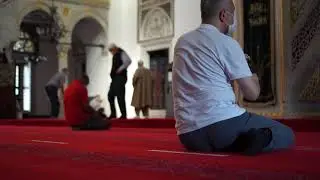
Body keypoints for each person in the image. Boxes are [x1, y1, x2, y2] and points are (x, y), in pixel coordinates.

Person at [172, 0, 295, 155]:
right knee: (285, 134)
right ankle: (253, 140)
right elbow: (252, 93)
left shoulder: (182, 42)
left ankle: (238, 142)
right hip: (223, 127)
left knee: (222, 135)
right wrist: (250, 66)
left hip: (189, 135)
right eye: (233, 14)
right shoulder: (227, 43)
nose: (234, 20)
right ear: (224, 15)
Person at [108, 43, 132, 119]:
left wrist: (119, 70)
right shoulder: (115, 54)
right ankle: (113, 114)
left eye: (111, 50)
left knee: (120, 96)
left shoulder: (121, 52)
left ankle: (123, 115)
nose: (111, 52)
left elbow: (128, 61)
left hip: (120, 77)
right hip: (115, 78)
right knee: (110, 95)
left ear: (114, 48)